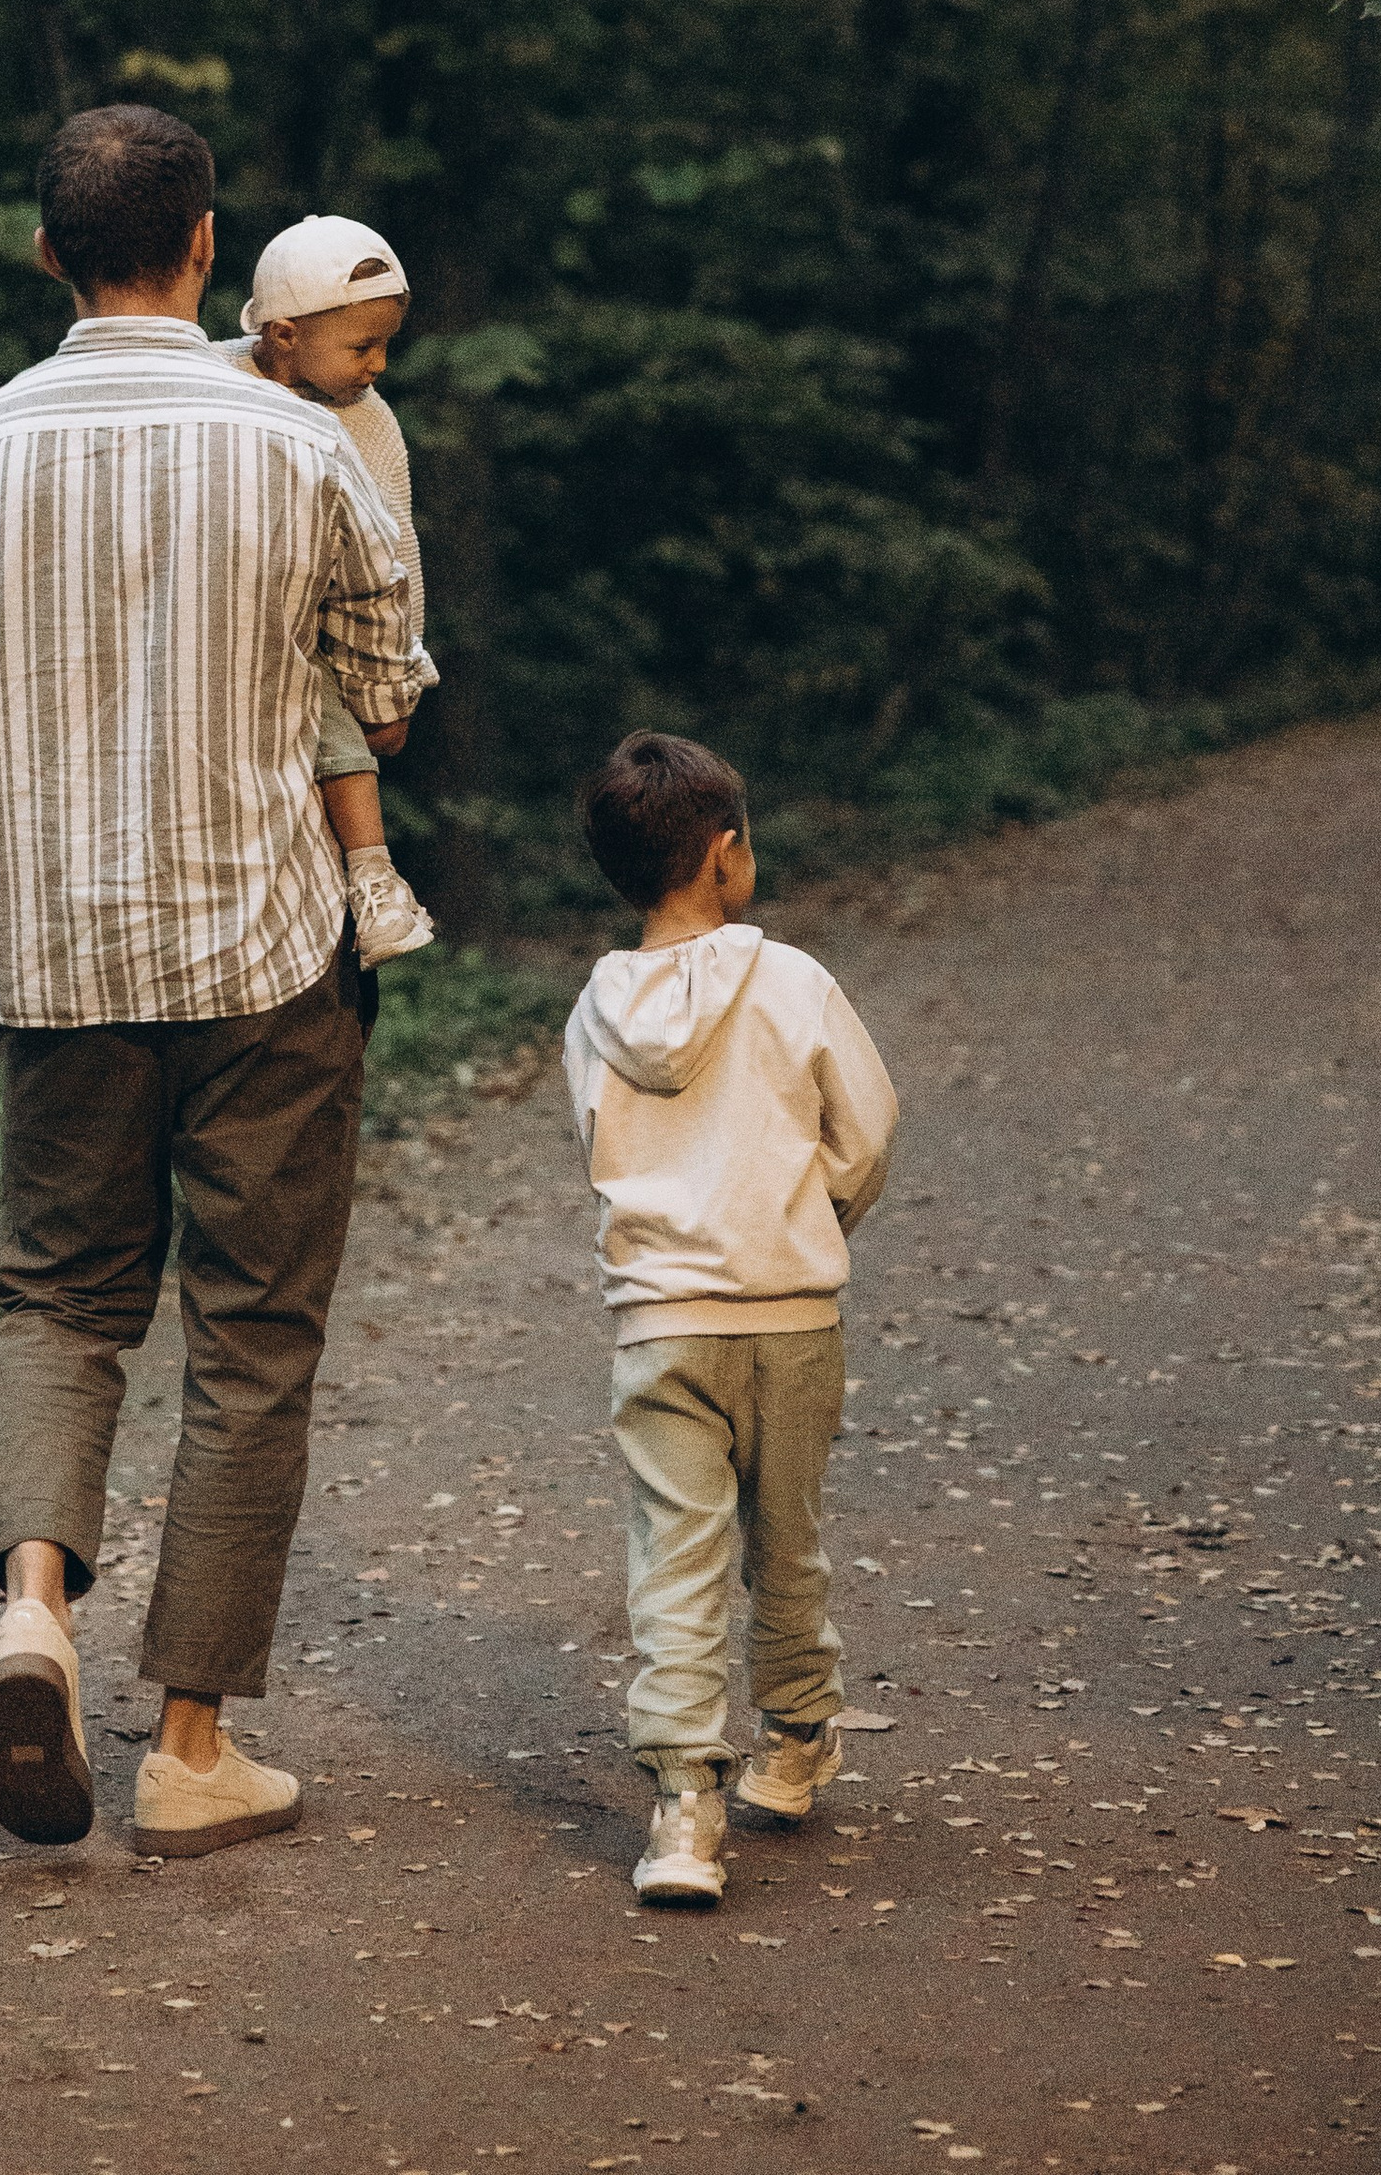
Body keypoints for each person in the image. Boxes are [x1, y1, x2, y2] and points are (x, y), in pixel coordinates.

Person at [0, 104, 428, 1859]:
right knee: (251, 1337)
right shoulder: (296, 446)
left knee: (59, 1297)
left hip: (54, 968)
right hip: (267, 950)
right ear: (203, 249)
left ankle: (35, 1602)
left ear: (47, 254)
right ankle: (191, 1747)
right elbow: (388, 683)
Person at [564, 729, 898, 1909]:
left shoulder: (594, 1013)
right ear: (724, 853)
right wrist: (807, 1226)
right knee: (786, 1538)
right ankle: (797, 1743)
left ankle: (682, 1812)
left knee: (677, 1558)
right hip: (792, 1314)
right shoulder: (793, 981)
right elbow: (865, 1127)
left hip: (662, 1323)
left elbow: (597, 1150)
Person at [232, 213, 436, 967]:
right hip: (240, 617)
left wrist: (400, 679)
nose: (378, 364)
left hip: (331, 638)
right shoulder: (217, 381)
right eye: (362, 346)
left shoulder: (369, 418)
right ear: (283, 335)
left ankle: (373, 879)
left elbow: (396, 549)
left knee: (339, 726)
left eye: (386, 344)